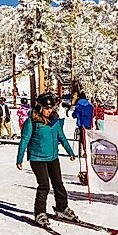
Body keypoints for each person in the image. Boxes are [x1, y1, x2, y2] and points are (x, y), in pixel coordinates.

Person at [16, 93, 78, 225]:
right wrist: (19, 158)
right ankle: (40, 213)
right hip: (37, 158)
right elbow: (25, 140)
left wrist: (70, 151)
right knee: (44, 185)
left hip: (53, 157)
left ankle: (62, 208)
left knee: (58, 183)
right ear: (40, 107)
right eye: (46, 108)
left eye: (51, 108)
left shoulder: (55, 121)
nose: (49, 111)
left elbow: (61, 136)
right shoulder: (32, 121)